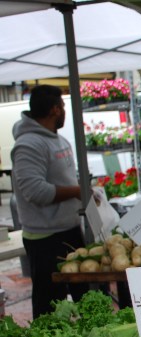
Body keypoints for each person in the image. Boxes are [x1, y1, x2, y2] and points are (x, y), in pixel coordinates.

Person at [10, 85, 88, 318]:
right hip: (45, 239)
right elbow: (35, 191)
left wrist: (81, 190)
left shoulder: (58, 140)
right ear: (55, 109)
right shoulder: (28, 145)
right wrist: (76, 191)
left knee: (86, 297)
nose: (64, 111)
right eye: (62, 106)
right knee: (49, 306)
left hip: (70, 231)